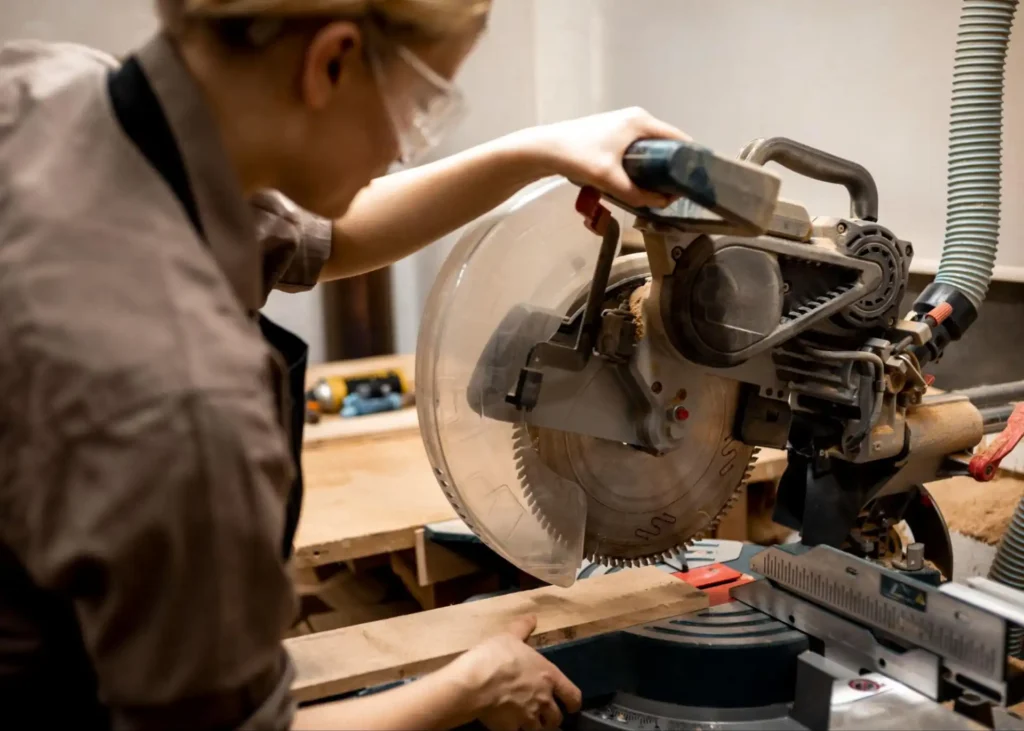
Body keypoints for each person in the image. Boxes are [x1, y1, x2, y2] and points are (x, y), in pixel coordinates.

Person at [0, 0, 689, 728]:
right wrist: (472, 686)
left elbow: (327, 237)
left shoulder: (49, 88)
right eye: (421, 104)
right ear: (330, 61)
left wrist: (541, 150)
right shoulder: (186, 404)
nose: (402, 145)